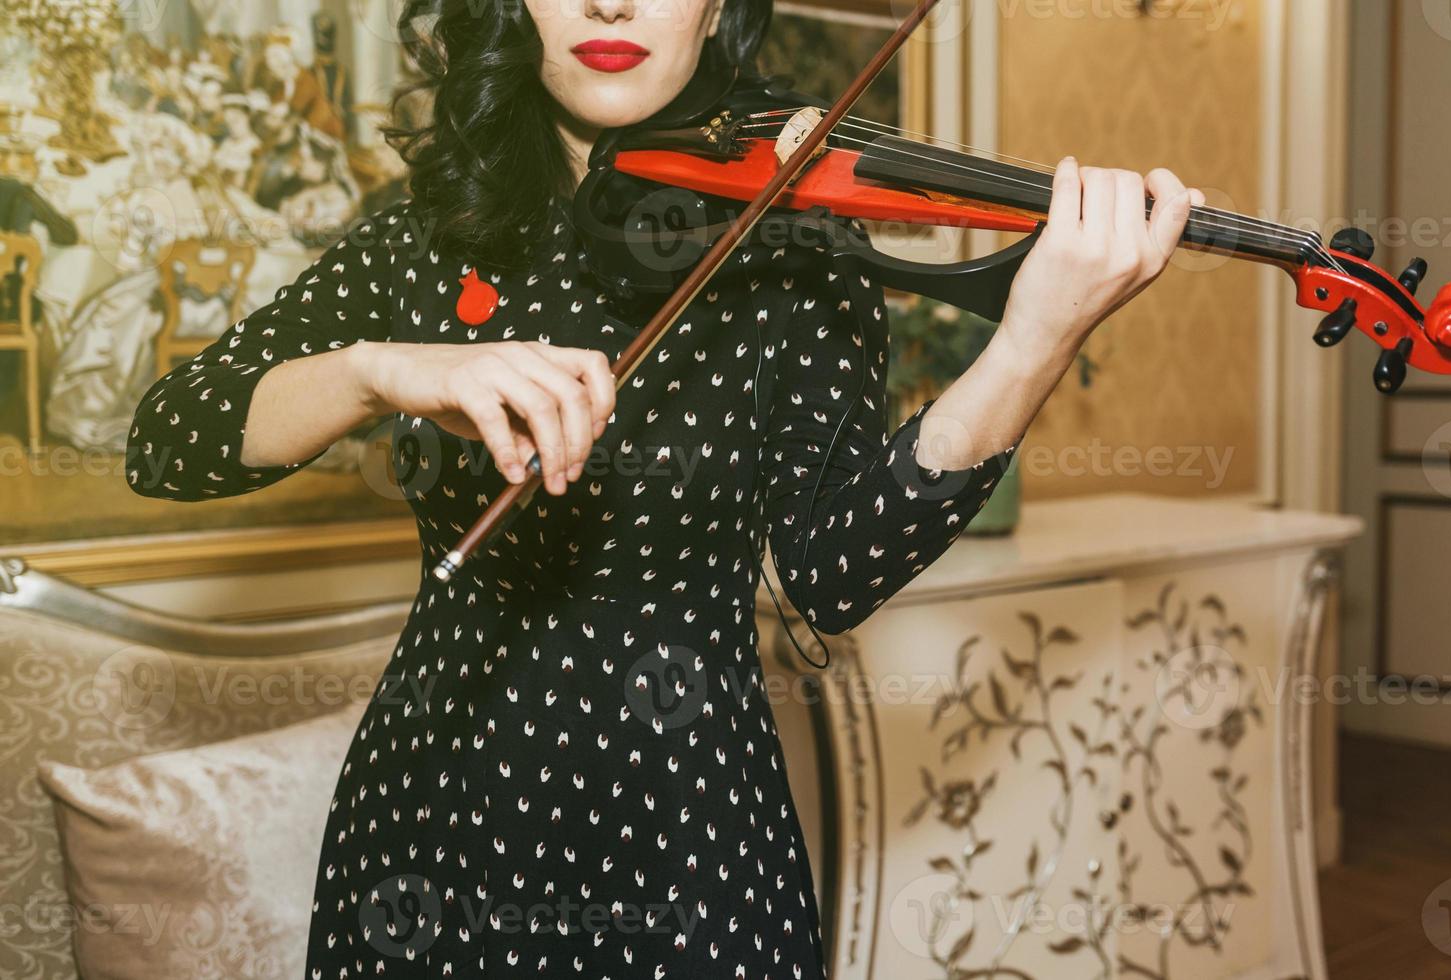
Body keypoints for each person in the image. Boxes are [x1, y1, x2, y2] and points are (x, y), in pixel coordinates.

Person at [123, 0, 1203, 975]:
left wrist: (1034, 342)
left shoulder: (794, 239)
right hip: (433, 804)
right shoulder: (427, 237)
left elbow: (831, 575)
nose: (612, 1)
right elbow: (169, 442)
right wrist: (381, 369)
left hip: (689, 823)